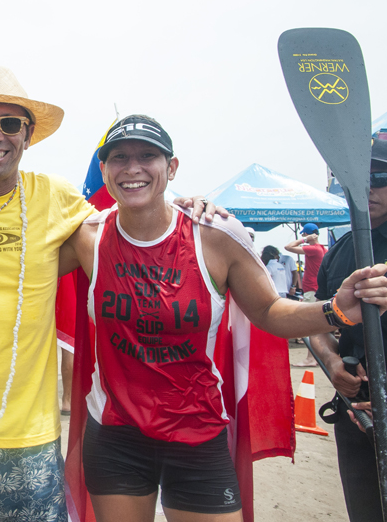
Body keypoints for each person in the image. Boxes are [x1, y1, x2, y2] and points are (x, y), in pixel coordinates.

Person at [0, 68, 219, 522]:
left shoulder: (55, 198)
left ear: (28, 135)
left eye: (10, 124)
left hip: (30, 439)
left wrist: (182, 207)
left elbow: (129, 227)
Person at [57, 115, 387, 522]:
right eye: (119, 158)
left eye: (148, 156)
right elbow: (12, 266)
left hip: (196, 431)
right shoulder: (88, 238)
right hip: (115, 432)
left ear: (171, 167)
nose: (133, 168)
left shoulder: (213, 233)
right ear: (104, 171)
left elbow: (267, 310)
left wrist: (334, 311)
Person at [309, 138, 387, 522]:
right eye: (356, 178)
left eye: (380, 176)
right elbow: (316, 323)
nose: (368, 187)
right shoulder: (338, 251)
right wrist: (332, 365)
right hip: (356, 412)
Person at [286, 223, 328, 366]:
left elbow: (288, 247)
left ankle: (311, 358)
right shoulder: (322, 248)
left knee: (311, 324)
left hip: (311, 289)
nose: (303, 236)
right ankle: (316, 357)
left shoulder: (313, 249)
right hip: (317, 288)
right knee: (320, 325)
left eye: (304, 234)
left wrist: (304, 240)